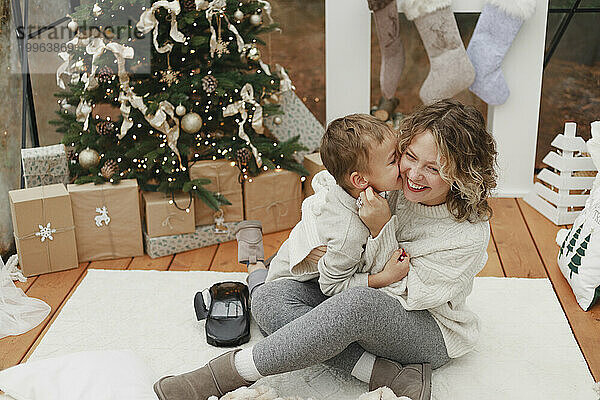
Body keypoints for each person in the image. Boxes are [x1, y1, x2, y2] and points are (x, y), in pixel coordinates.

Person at [153, 99, 498, 400]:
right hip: (362, 299)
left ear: (461, 176)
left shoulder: (466, 234)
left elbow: (400, 290)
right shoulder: (390, 178)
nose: (413, 174)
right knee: (268, 300)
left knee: (357, 304)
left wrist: (381, 228)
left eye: (434, 169)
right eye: (409, 156)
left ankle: (223, 375)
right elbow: (332, 205)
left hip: (426, 330)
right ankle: (384, 374)